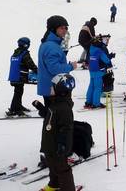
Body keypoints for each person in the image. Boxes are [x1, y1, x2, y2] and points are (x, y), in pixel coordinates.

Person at [37, 15, 78, 191]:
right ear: (54, 29)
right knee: (60, 125)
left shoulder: (48, 44)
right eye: (62, 28)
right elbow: (55, 69)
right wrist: (70, 66)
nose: (65, 31)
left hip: (51, 91)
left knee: (51, 125)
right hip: (56, 92)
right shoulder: (52, 47)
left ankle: (53, 157)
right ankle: (58, 154)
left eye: (66, 28)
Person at [7, 37, 38, 116]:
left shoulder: (15, 53)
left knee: (18, 92)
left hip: (13, 76)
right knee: (18, 93)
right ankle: (15, 109)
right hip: (20, 77)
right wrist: (37, 71)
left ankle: (17, 106)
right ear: (26, 45)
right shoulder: (24, 53)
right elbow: (30, 64)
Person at [85, 35, 113, 109]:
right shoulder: (99, 50)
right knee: (98, 87)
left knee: (91, 86)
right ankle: (96, 103)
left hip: (91, 70)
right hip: (98, 70)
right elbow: (106, 60)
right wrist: (110, 59)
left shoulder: (91, 48)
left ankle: (88, 102)